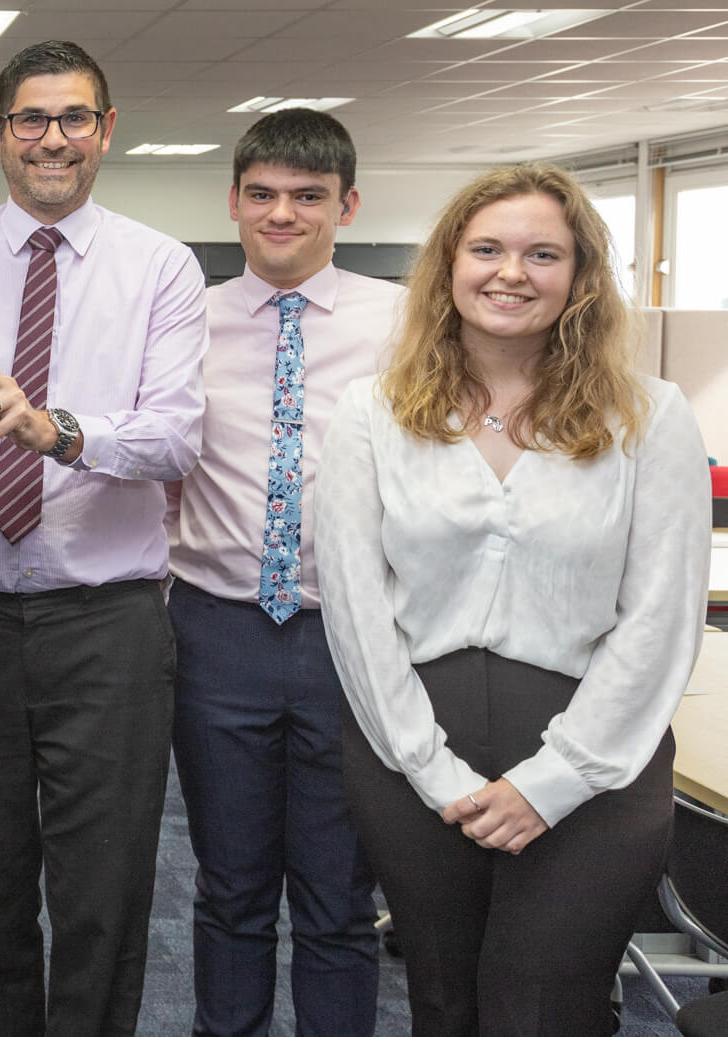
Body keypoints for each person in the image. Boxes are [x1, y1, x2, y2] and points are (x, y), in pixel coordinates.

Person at [317, 163, 710, 1036]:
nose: (511, 272)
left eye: (543, 253)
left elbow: (661, 618)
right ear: (449, 266)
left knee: (546, 1006)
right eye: (487, 248)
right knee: (444, 1000)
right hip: (414, 743)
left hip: (597, 747)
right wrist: (430, 767)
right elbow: (355, 611)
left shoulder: (649, 415)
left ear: (579, 278)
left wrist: (554, 779)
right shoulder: (371, 413)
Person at [0, 39, 208, 1035]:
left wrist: (52, 428)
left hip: (106, 624)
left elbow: (174, 437)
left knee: (100, 890)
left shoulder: (160, 266)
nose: (52, 139)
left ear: (106, 131)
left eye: (75, 118)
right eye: (31, 119)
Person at [165, 108, 397, 1037]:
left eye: (307, 197)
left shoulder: (409, 319)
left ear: (347, 204)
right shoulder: (187, 320)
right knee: (231, 886)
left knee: (341, 898)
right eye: (261, 195)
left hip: (354, 632)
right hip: (219, 630)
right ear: (233, 202)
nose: (282, 215)